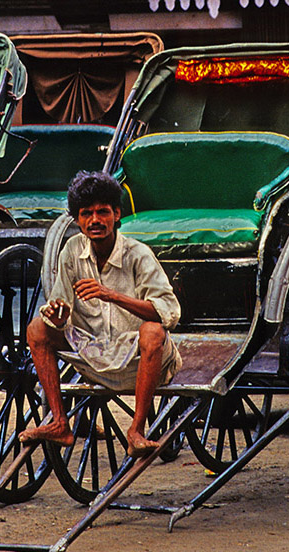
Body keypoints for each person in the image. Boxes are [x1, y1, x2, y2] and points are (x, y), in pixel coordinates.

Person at [19, 170, 182, 458]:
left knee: (153, 331)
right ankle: (59, 422)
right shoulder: (72, 250)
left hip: (139, 359)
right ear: (78, 220)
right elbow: (60, 302)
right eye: (86, 214)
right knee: (36, 329)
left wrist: (111, 295)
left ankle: (136, 431)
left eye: (103, 212)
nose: (95, 220)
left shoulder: (138, 254)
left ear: (117, 214)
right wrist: (58, 315)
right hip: (92, 354)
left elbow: (168, 314)